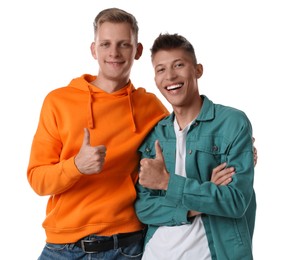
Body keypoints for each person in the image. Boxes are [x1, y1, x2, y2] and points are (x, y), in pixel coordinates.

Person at [27, 8, 255, 260]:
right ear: (94, 50)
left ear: (137, 51)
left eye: (124, 44)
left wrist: (242, 152)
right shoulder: (58, 101)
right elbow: (37, 179)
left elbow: (192, 135)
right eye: (106, 44)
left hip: (129, 246)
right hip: (65, 246)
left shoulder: (150, 108)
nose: (114, 53)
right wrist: (76, 166)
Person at [135, 33, 256, 260]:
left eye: (178, 65)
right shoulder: (155, 134)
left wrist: (167, 184)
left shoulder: (232, 123)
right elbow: (144, 208)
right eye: (161, 69)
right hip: (155, 253)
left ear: (198, 70)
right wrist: (205, 197)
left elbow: (236, 201)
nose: (170, 76)